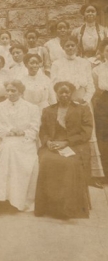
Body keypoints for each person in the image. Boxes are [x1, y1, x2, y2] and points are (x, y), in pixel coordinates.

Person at [35, 81, 93, 219]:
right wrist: (48, 141)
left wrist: (66, 142)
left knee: (70, 164)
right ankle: (49, 207)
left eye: (67, 92)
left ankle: (67, 208)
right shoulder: (48, 110)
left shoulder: (82, 109)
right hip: (53, 145)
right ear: (56, 94)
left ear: (72, 93)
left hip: (75, 145)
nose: (65, 95)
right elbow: (42, 131)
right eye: (61, 92)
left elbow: (86, 133)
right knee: (46, 161)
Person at [51, 36, 104, 185]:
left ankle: (91, 176)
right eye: (67, 45)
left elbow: (90, 85)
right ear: (63, 47)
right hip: (64, 103)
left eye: (72, 45)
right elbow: (53, 84)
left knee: (85, 136)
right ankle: (70, 174)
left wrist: (84, 101)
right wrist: (62, 101)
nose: (70, 48)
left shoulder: (84, 63)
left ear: (77, 47)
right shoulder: (57, 64)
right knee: (68, 134)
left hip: (82, 103)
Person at [0, 80, 40, 212]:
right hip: (7, 139)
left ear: (21, 92)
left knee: (11, 152)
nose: (10, 93)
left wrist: (23, 132)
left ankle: (12, 198)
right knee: (8, 149)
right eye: (8, 90)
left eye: (14, 91)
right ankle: (3, 196)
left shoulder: (32, 108)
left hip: (25, 142)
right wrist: (9, 131)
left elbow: (34, 129)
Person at [93, 39, 108, 181]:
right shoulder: (98, 69)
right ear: (103, 53)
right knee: (103, 136)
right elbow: (97, 89)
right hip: (104, 101)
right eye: (107, 51)